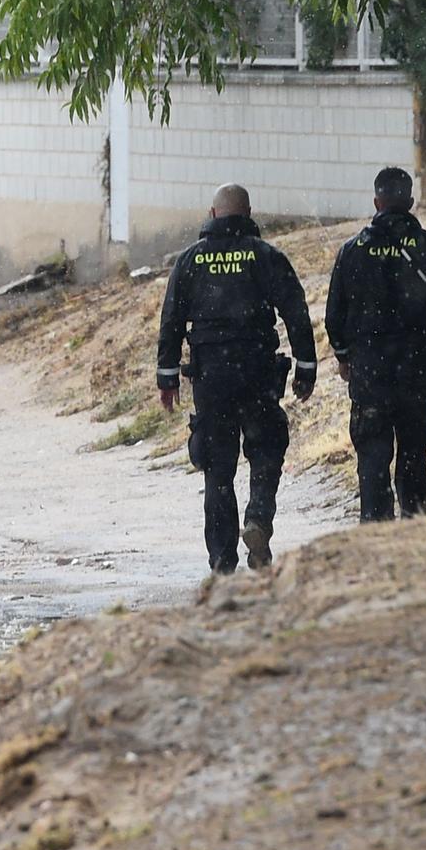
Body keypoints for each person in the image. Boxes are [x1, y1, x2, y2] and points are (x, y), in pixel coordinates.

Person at [156, 184, 317, 575]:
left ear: (212, 214)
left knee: (218, 467)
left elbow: (172, 319)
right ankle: (258, 520)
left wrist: (167, 375)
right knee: (265, 451)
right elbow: (295, 310)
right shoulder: (266, 256)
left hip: (212, 376)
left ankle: (222, 562)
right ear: (248, 214)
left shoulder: (191, 260)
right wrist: (305, 365)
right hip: (258, 369)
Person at [325, 166, 426, 523]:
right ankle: (415, 528)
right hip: (417, 370)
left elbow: (335, 316)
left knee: (373, 457)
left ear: (376, 201)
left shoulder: (353, 251)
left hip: (370, 373)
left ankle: (377, 532)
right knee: (413, 456)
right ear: (410, 202)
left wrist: (344, 356)